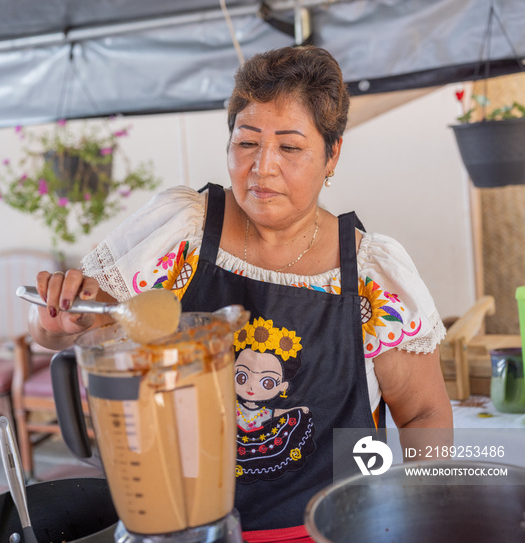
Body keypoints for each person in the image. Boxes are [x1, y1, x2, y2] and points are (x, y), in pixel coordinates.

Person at [31, 46, 452, 539]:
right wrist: (57, 324)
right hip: (185, 525)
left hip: (337, 528)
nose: (262, 167)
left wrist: (429, 516)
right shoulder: (182, 233)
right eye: (247, 142)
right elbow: (71, 329)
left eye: (290, 148)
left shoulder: (372, 277)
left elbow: (423, 411)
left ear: (332, 153)